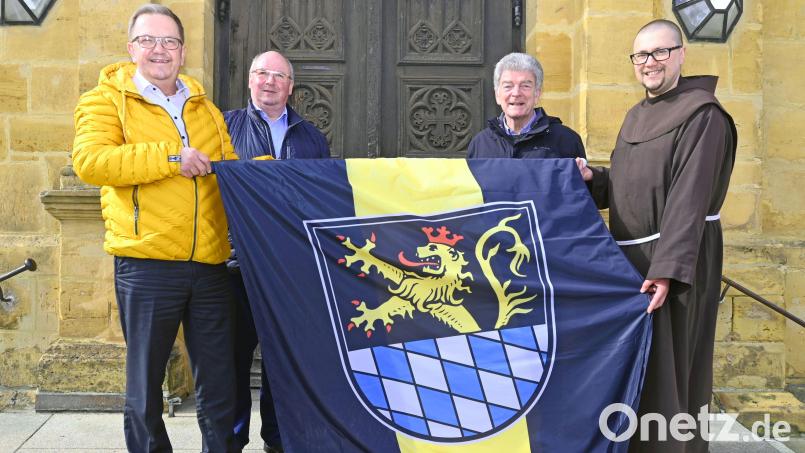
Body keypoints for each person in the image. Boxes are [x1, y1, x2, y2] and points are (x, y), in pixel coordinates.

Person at [72, 4, 238, 452]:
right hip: (146, 264)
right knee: (145, 387)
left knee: (220, 384)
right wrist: (170, 158)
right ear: (131, 48)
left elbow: (230, 172)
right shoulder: (105, 100)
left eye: (169, 41)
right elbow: (91, 162)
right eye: (148, 40)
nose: (159, 50)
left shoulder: (206, 109)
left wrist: (270, 176)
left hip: (208, 263)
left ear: (183, 51)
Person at [577, 19, 736, 452]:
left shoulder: (703, 115)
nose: (650, 63)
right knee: (640, 371)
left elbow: (689, 198)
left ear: (681, 54)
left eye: (660, 52)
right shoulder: (636, 115)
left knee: (672, 376)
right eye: (641, 56)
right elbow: (633, 188)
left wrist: (667, 272)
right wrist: (593, 179)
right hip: (633, 266)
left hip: (675, 265)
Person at [224, 50, 330, 453]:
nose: (269, 82)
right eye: (261, 73)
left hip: (290, 267)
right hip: (237, 267)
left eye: (279, 76)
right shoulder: (224, 127)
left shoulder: (311, 137)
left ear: (291, 86)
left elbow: (319, 200)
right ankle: (231, 438)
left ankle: (279, 439)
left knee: (283, 362)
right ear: (250, 80)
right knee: (233, 360)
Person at [467, 52, 585, 159]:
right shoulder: (480, 144)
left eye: (525, 86)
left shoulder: (566, 140)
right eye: (508, 86)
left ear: (537, 94)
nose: (516, 93)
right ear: (497, 95)